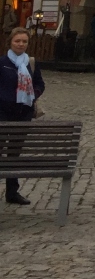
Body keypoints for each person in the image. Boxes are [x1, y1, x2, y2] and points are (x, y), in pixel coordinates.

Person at [0, 27, 46, 205]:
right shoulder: (3, 62)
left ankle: (12, 192)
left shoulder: (30, 63)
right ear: (10, 42)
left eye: (24, 41)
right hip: (3, 111)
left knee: (14, 153)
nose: (21, 44)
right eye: (17, 41)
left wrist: (33, 94)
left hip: (23, 113)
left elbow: (40, 83)